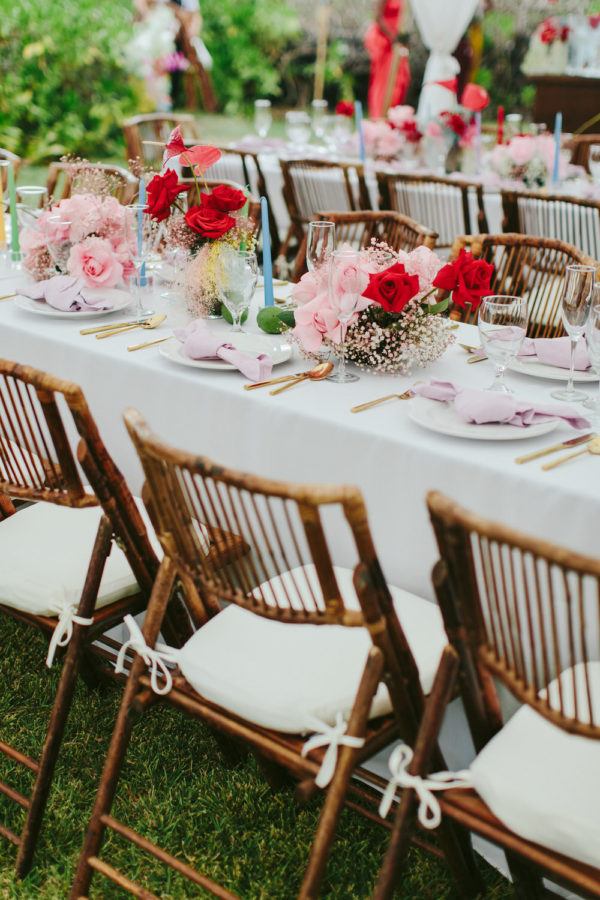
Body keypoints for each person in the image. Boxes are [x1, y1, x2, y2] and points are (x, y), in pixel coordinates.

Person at [364, 0, 410, 119]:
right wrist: (394, 38)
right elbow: (378, 16)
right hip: (386, 41)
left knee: (399, 80)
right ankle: (379, 116)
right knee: (384, 81)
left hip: (397, 42)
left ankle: (392, 116)